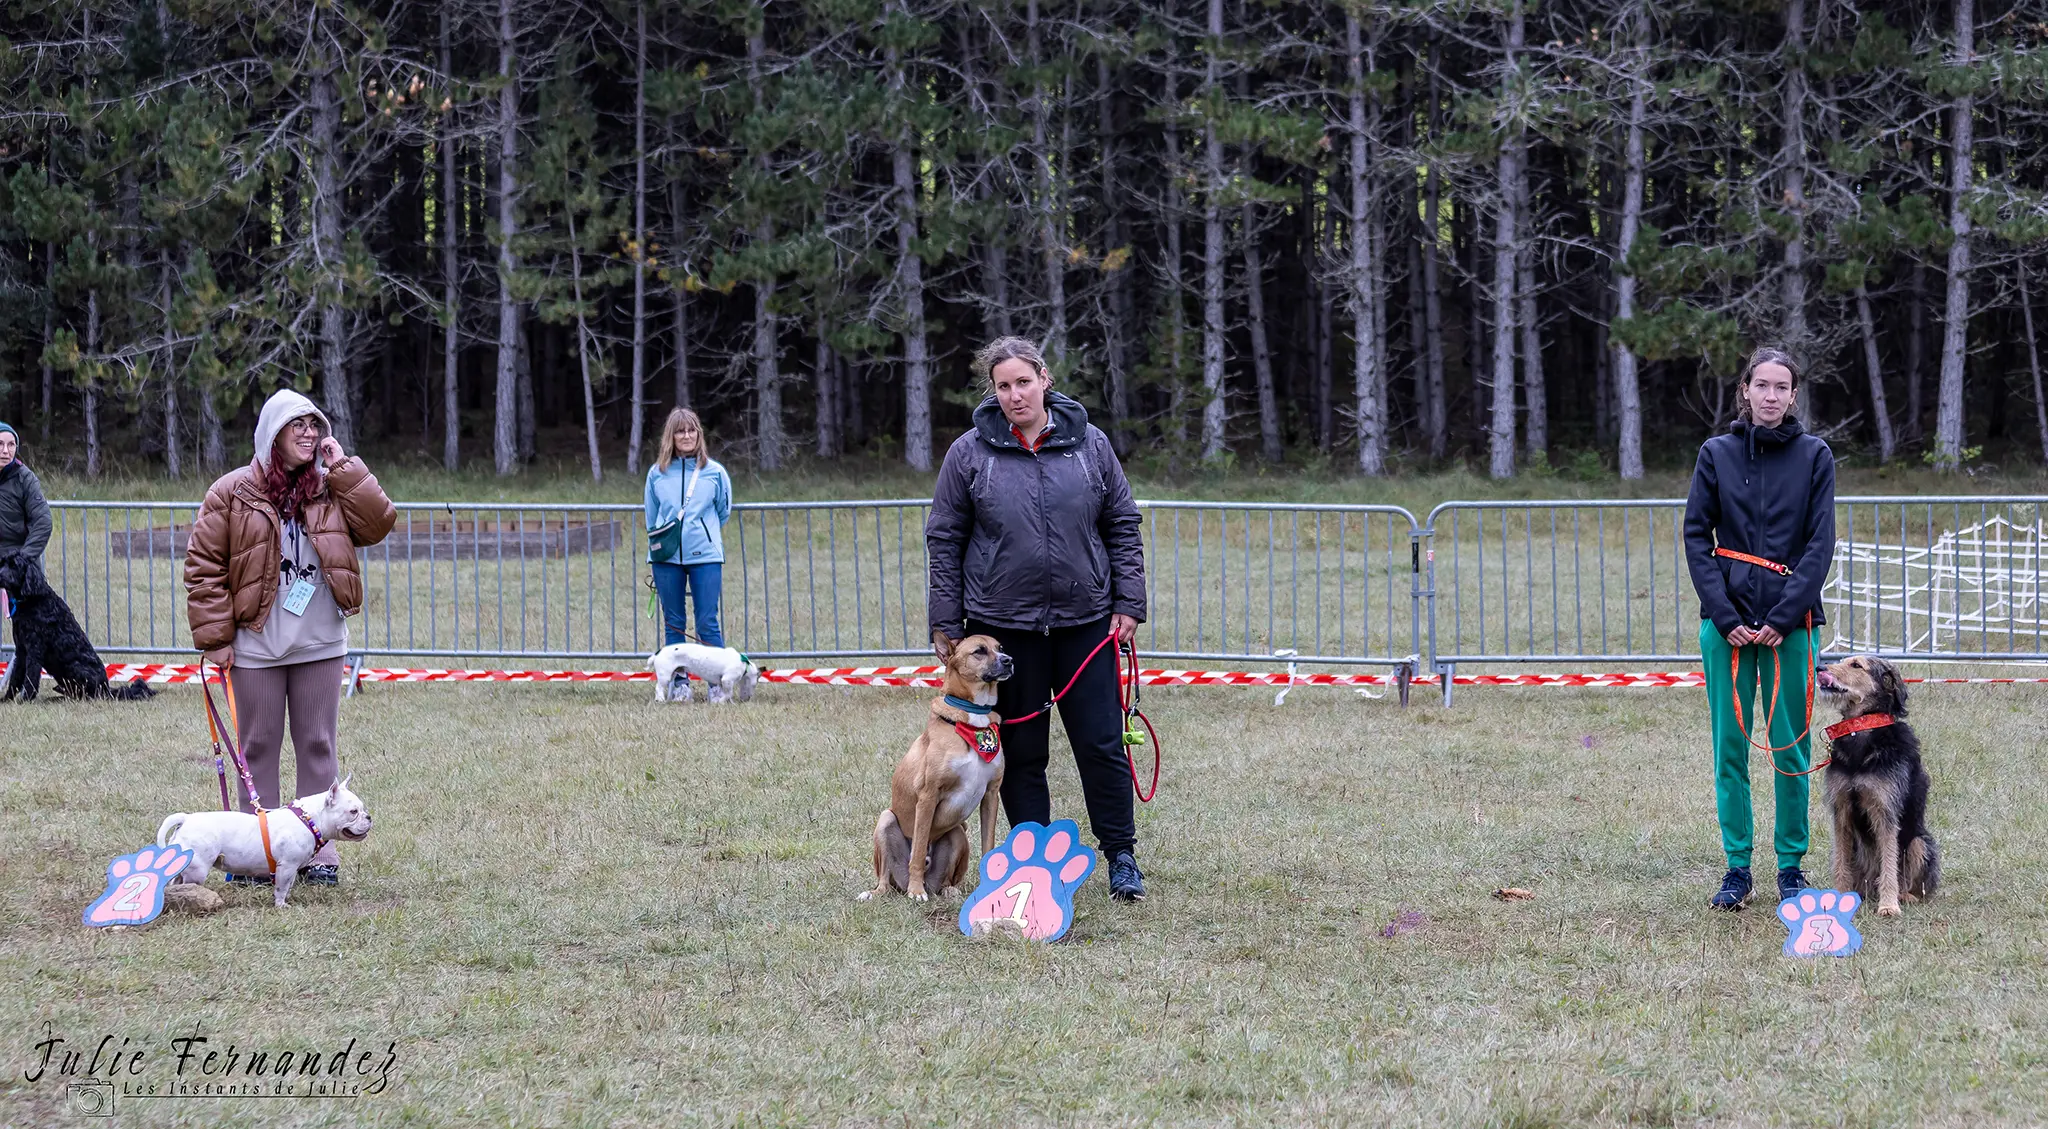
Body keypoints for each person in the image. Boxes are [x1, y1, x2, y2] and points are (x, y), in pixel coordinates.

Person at [926, 336, 1150, 902]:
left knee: (1100, 744)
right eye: (1003, 386)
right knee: (1023, 753)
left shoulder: (1091, 446)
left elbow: (1121, 524)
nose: (1014, 394)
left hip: (1085, 624)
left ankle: (1121, 857)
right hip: (1004, 632)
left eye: (1023, 382)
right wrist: (946, 620)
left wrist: (1128, 602)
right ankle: (1033, 865)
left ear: (1044, 379)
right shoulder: (969, 454)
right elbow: (945, 537)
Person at [184, 389, 395, 887]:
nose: (308, 432)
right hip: (256, 642)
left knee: (318, 744)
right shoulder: (231, 491)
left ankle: (319, 854)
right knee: (257, 747)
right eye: (296, 424)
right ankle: (259, 855)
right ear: (270, 434)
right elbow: (204, 567)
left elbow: (379, 521)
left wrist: (343, 467)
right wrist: (215, 638)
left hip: (320, 638)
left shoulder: (330, 485)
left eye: (314, 424)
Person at [1683, 347, 1836, 912]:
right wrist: (1724, 616)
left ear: (1794, 396)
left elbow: (1820, 544)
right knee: (1730, 749)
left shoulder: (1815, 456)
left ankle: (1791, 868)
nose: (1771, 396)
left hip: (1789, 628)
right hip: (1725, 629)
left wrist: (1779, 619)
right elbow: (1697, 537)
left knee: (1790, 748)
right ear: (1745, 389)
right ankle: (1737, 868)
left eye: (1782, 387)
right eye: (1762, 385)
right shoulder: (1715, 454)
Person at [645, 408, 732, 647]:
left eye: (691, 430)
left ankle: (716, 683)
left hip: (705, 556)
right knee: (673, 623)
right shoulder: (656, 473)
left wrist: (702, 531)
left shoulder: (715, 473)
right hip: (666, 558)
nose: (686, 436)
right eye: (680, 431)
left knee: (707, 622)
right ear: (670, 437)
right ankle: (679, 681)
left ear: (699, 434)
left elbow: (723, 511)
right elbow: (651, 518)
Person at [0, 422, 52, 630]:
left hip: (16, 564)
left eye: (11, 444)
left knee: (30, 628)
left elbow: (43, 521)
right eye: (0, 444)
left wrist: (22, 559)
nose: (6, 450)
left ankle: (25, 663)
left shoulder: (25, 478)